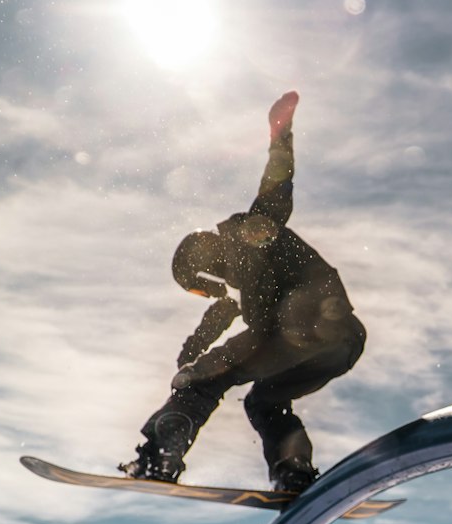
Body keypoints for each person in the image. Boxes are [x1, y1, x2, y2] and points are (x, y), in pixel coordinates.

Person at [122, 90, 365, 496]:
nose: (208, 292)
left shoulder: (245, 235)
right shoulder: (241, 273)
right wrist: (194, 348)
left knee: (199, 384)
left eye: (199, 285)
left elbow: (276, 192)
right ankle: (293, 471)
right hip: (342, 341)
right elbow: (224, 310)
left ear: (203, 262)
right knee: (264, 403)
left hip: (296, 327)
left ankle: (162, 454)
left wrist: (279, 132)